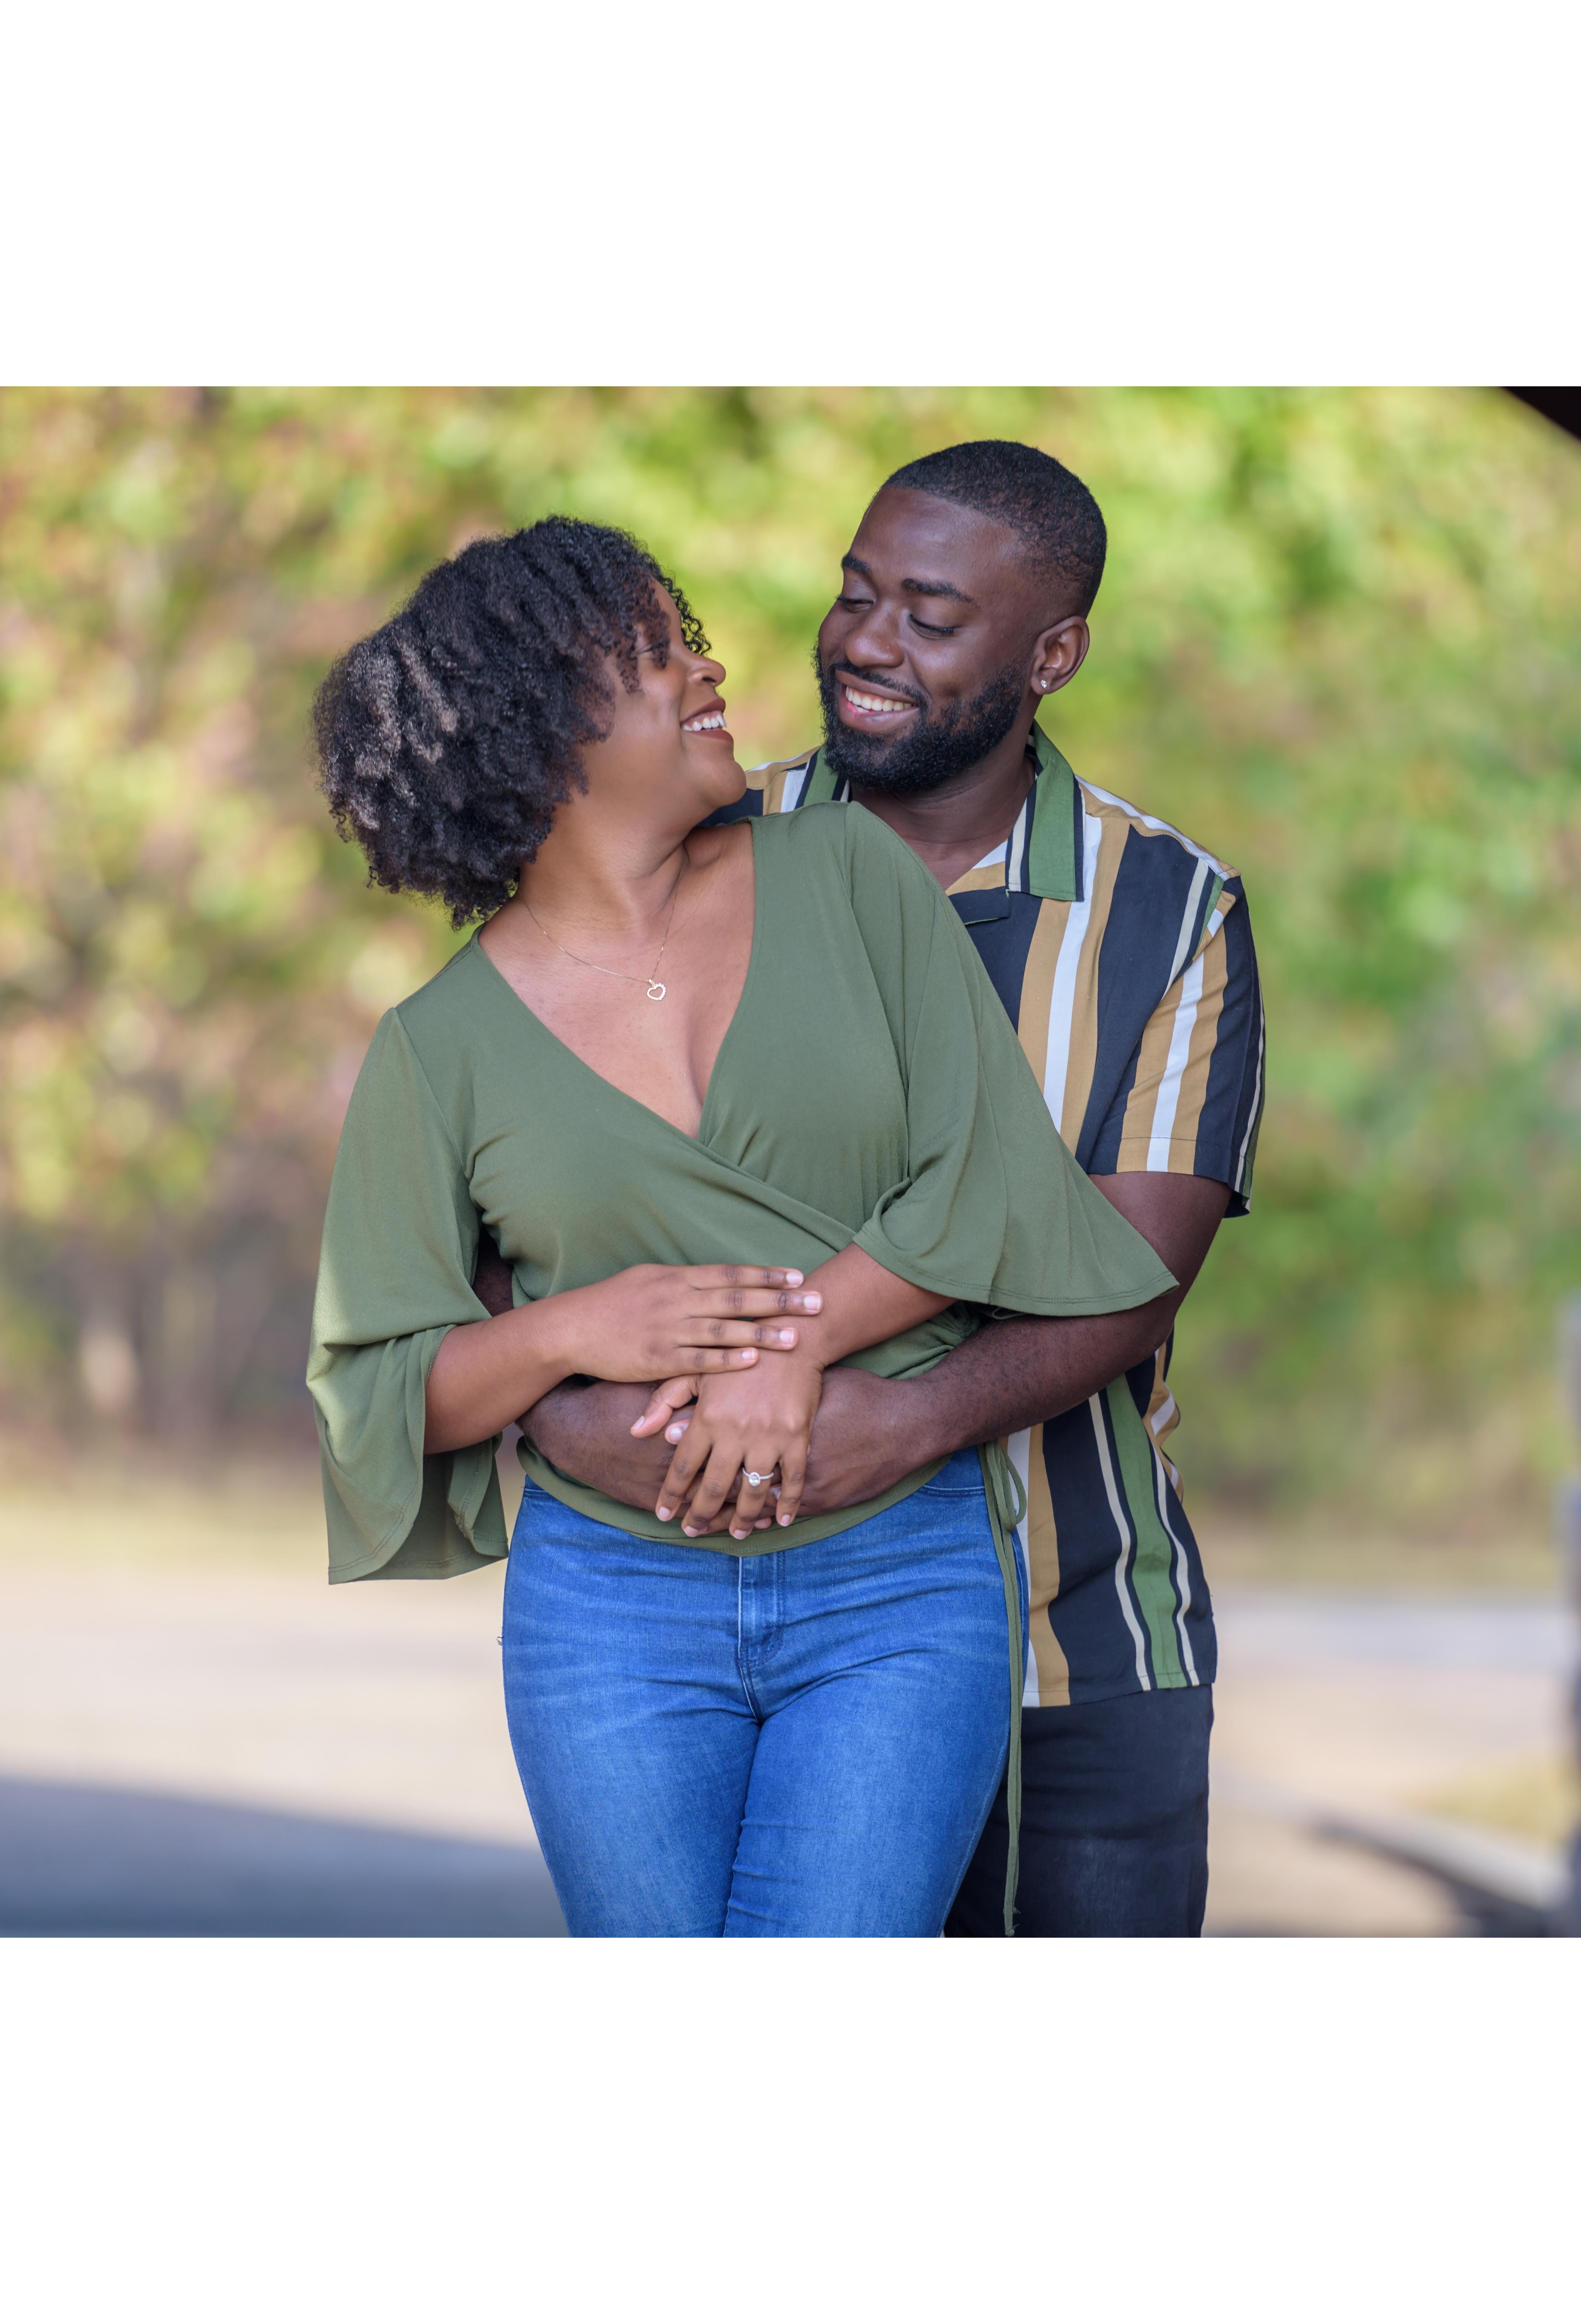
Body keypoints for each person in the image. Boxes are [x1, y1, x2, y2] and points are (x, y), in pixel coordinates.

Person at [305, 515, 1176, 1938]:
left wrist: (794, 1342)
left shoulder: (849, 875)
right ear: (542, 731)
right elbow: (387, 1394)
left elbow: (988, 1181)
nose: (708, 671)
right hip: (610, 1609)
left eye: (691, 638)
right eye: (657, 653)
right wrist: (574, 1330)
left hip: (899, 1579)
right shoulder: (436, 1047)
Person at [502, 445, 1266, 1938]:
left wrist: (900, 1426)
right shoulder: (688, 849)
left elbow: (1132, 1263)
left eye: (929, 617)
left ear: (1052, 655)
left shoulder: (1170, 912)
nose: (864, 642)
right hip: (720, 1624)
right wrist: (562, 1413)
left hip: (1075, 1642)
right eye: (857, 594)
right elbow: (499, 1182)